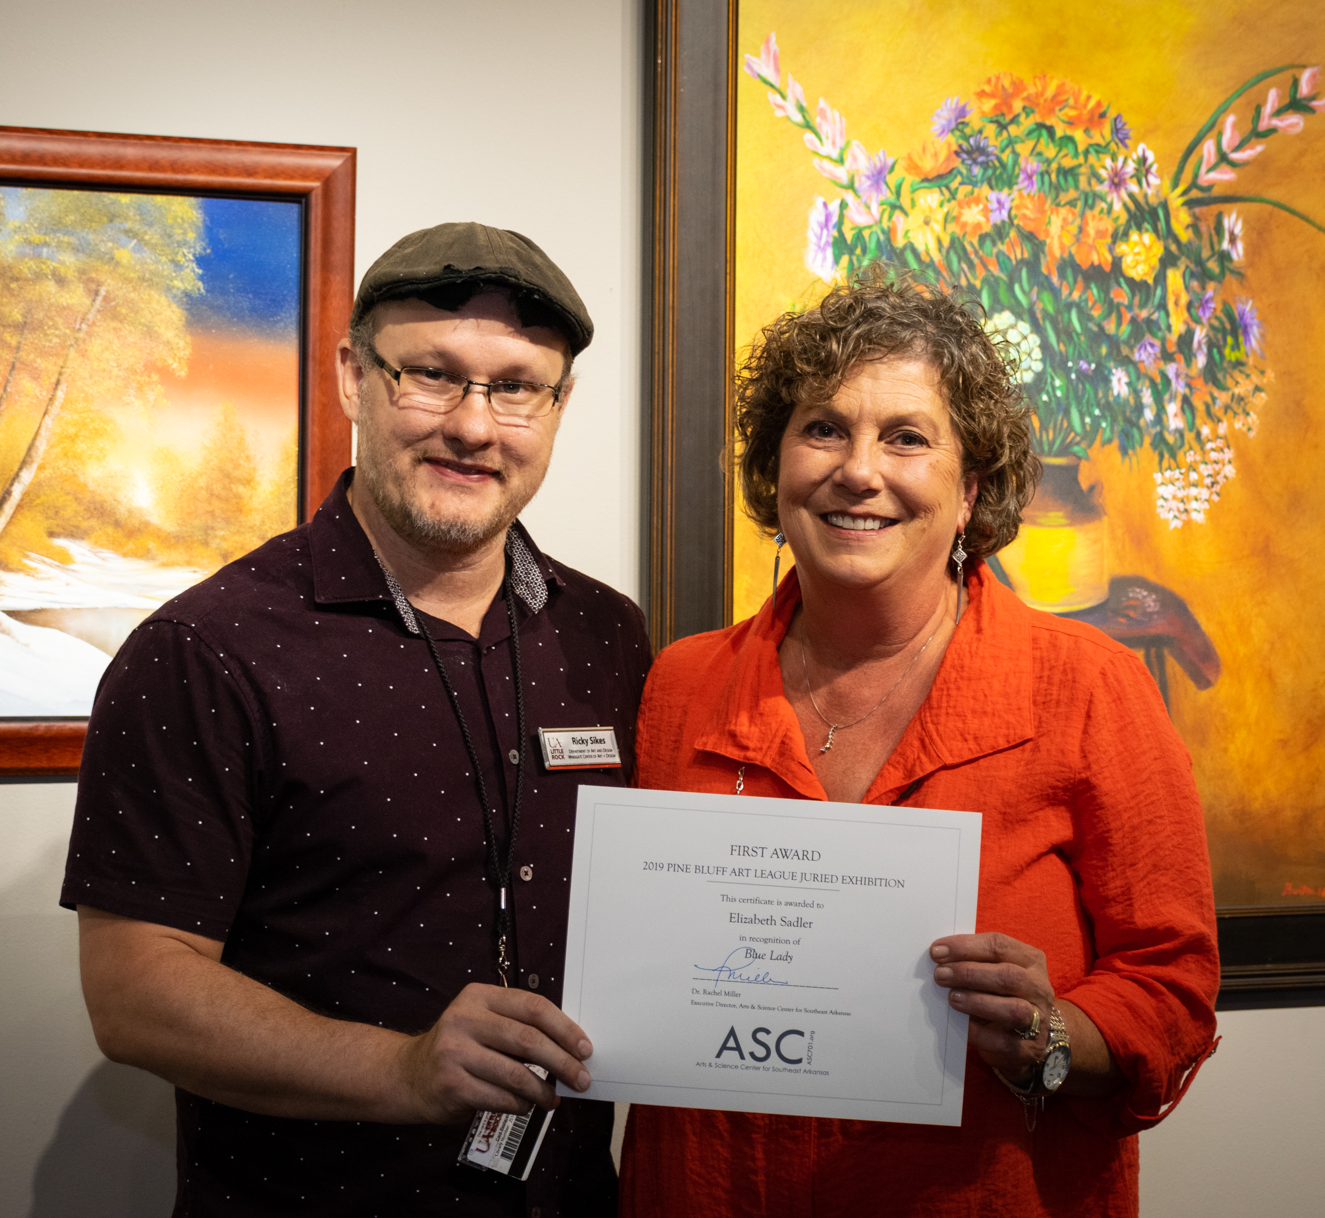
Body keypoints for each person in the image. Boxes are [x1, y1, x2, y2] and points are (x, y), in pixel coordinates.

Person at [62, 222, 651, 1217]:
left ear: (558, 407)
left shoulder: (608, 636)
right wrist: (405, 1072)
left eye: (515, 388)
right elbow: (134, 996)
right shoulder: (206, 650)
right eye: (432, 375)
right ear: (351, 376)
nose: (473, 425)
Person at [618, 272, 1219, 1217]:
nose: (859, 470)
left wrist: (1056, 1032)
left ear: (971, 484)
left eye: (907, 437)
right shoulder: (681, 686)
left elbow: (1173, 990)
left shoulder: (1091, 688)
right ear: (776, 472)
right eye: (823, 428)